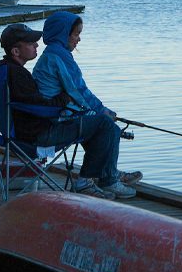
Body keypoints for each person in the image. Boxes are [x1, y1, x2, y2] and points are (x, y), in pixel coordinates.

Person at [0, 22, 133, 199]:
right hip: (38, 135)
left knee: (95, 122)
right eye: (31, 43)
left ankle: (106, 173)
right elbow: (41, 107)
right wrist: (65, 99)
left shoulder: (6, 69)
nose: (37, 45)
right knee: (104, 124)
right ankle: (89, 181)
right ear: (16, 51)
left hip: (23, 131)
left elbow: (36, 103)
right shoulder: (18, 74)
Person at [33, 12, 142, 192]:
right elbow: (78, 90)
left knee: (101, 124)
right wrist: (102, 110)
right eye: (76, 34)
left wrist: (97, 111)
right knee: (106, 125)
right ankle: (99, 181)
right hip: (51, 125)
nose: (79, 39)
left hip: (52, 118)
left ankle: (108, 173)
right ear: (63, 33)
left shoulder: (52, 54)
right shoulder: (58, 56)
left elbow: (73, 95)